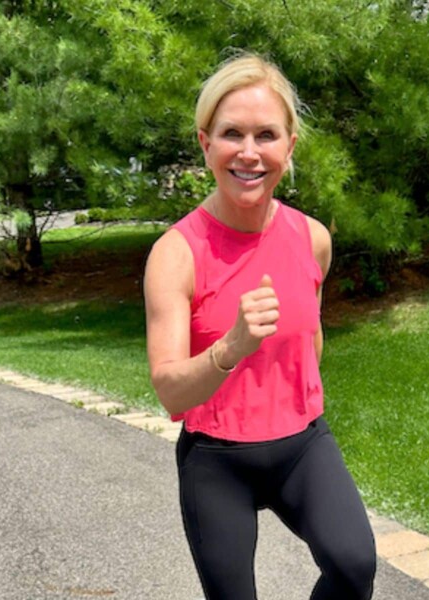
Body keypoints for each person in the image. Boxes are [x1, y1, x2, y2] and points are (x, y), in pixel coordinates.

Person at [144, 53, 376, 600]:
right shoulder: (176, 254)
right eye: (231, 134)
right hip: (217, 460)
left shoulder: (312, 238)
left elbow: (310, 340)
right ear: (205, 143)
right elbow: (169, 390)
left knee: (354, 565)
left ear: (289, 146)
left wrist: (290, 399)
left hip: (302, 446)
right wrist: (232, 347)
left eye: (266, 135)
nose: (249, 152)